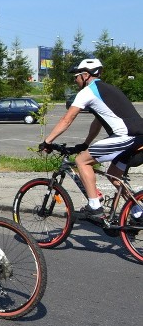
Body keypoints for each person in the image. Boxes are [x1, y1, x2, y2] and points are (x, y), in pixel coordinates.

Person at [41, 58, 143, 222]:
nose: (75, 80)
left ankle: (95, 207)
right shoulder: (108, 89)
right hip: (138, 137)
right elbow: (98, 122)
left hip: (126, 137)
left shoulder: (88, 91)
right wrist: (86, 143)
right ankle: (138, 212)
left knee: (82, 161)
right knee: (114, 174)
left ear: (85, 75)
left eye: (76, 76)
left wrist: (48, 140)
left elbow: (67, 119)